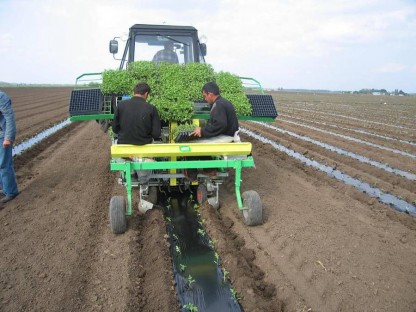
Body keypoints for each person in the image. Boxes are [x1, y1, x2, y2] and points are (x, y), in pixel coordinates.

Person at [0, 90, 19, 205]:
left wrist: (8, 137)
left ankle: (11, 191)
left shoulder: (2, 97)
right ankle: (5, 188)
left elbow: (9, 117)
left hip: (3, 135)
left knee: (3, 164)